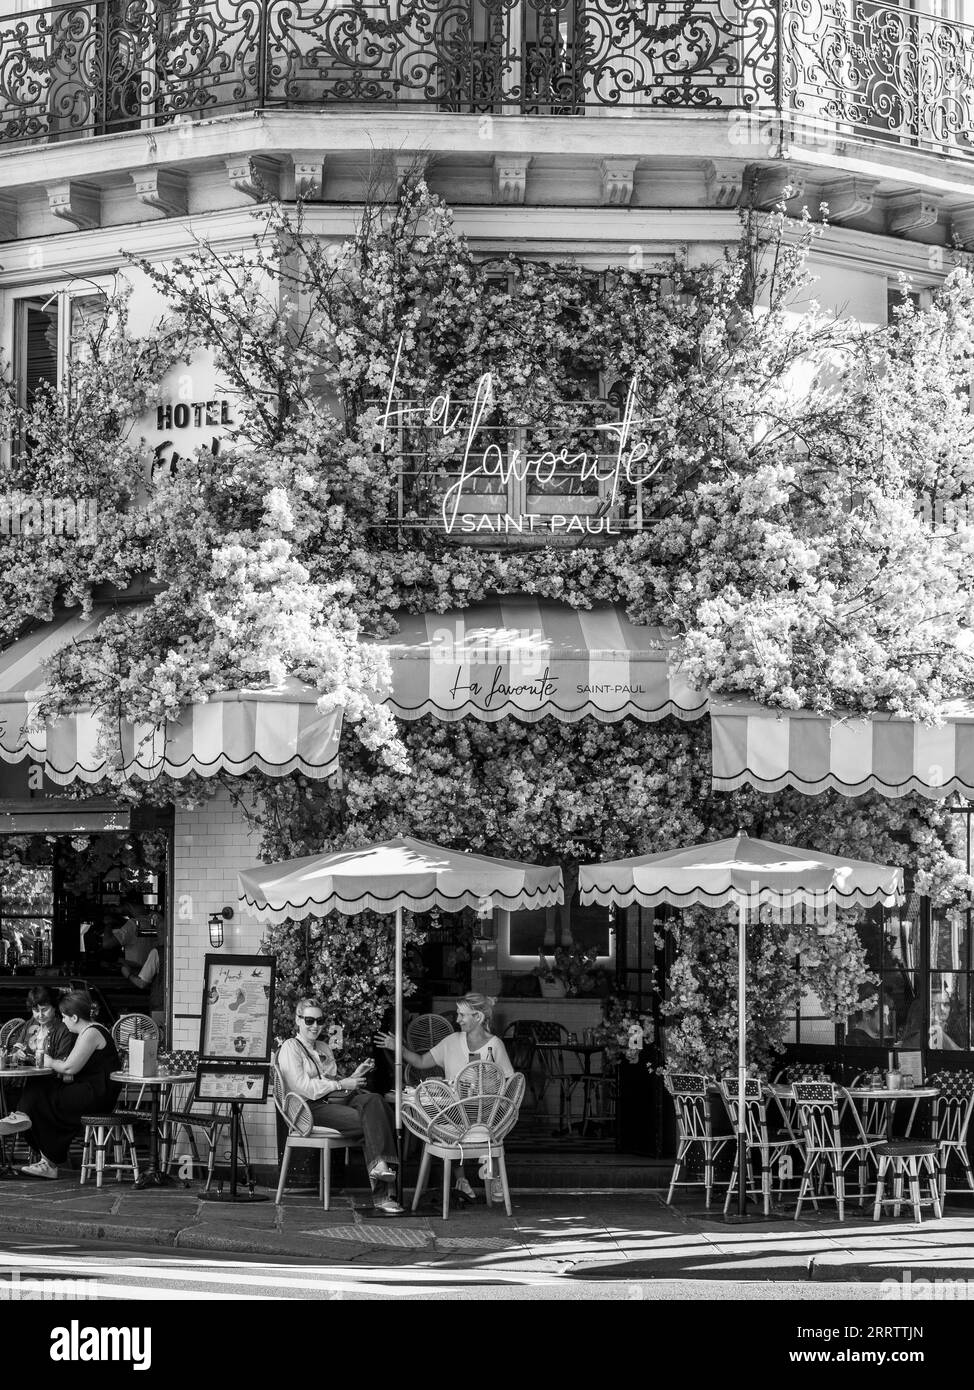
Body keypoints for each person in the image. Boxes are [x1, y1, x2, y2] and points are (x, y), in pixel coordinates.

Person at [374, 992, 514, 1204]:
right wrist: (398, 1048)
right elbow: (421, 1061)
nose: (457, 1019)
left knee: (479, 1115)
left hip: (485, 1115)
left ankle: (491, 1169)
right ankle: (464, 1180)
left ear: (478, 1017)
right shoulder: (451, 1041)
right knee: (447, 1120)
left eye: (462, 1015)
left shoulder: (495, 1046)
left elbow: (509, 1084)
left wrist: (491, 1087)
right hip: (455, 1116)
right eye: (458, 1014)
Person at [277, 999, 403, 1215]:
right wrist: (341, 1084)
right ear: (298, 1020)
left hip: (334, 1101)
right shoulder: (291, 1048)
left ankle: (380, 1168)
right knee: (372, 1122)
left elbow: (332, 1081)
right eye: (309, 1020)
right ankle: (383, 1191)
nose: (315, 1026)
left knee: (374, 1100)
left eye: (319, 1020)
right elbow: (303, 1087)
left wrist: (353, 1077)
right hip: (309, 1109)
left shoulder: (324, 1047)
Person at [0, 989, 121, 1179]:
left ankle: (45, 1155)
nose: (62, 1020)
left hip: (97, 1095)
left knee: (44, 1102)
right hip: (87, 1089)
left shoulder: (91, 1033)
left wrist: (47, 1061)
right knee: (38, 1088)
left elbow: (69, 1068)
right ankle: (23, 1119)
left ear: (74, 1017)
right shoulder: (88, 1030)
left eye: (64, 1017)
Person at [4, 986, 73, 1065]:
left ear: (54, 1007)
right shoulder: (30, 1023)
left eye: (45, 1010)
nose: (40, 1015)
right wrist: (17, 1054)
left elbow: (62, 1063)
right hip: (27, 1075)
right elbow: (15, 1050)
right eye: (36, 1010)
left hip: (49, 1076)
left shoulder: (63, 1030)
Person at [120, 929, 164, 1036]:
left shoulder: (157, 952)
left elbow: (142, 983)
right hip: (171, 1006)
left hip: (160, 1006)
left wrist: (128, 974)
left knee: (158, 1037)